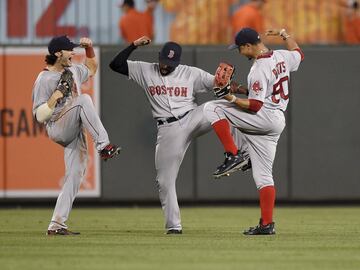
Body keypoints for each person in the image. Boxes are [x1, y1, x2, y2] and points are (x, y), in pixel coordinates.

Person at [109, 36, 250, 234]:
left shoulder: (190, 72)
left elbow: (220, 83)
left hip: (192, 117)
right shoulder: (145, 69)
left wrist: (247, 90)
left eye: (171, 64)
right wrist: (133, 45)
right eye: (165, 62)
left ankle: (239, 154)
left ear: (179, 62)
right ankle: (174, 227)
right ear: (159, 57)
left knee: (223, 106)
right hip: (168, 129)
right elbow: (115, 65)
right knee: (164, 181)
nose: (167, 66)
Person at [203, 27, 304, 235]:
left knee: (213, 107)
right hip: (276, 121)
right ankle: (267, 224)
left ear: (248, 46)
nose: (239, 52)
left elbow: (255, 106)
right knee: (264, 176)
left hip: (263, 116)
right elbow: (299, 54)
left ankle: (234, 155)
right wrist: (285, 34)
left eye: (239, 49)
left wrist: (229, 97)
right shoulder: (282, 56)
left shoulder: (259, 68)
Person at [32, 35, 121, 235]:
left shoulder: (71, 70)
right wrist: (53, 99)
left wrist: (89, 49)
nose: (73, 52)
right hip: (57, 125)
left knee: (74, 176)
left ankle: (56, 225)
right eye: (69, 49)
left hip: (74, 128)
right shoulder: (44, 79)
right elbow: (39, 116)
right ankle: (103, 146)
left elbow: (91, 68)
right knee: (84, 100)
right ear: (57, 53)